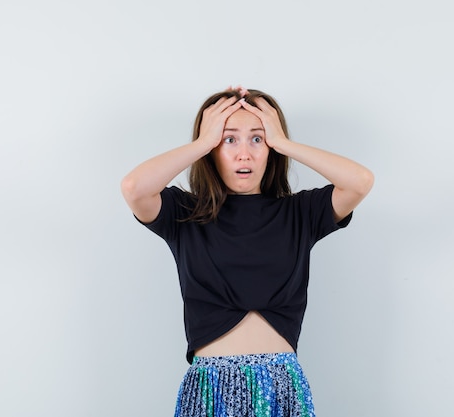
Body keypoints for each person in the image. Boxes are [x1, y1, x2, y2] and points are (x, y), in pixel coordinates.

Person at [120, 86, 374, 417]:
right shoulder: (184, 213)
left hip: (280, 387)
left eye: (257, 138)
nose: (245, 154)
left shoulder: (300, 213)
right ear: (211, 146)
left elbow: (360, 181)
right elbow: (134, 188)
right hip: (210, 389)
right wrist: (201, 143)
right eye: (229, 139)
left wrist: (283, 142)